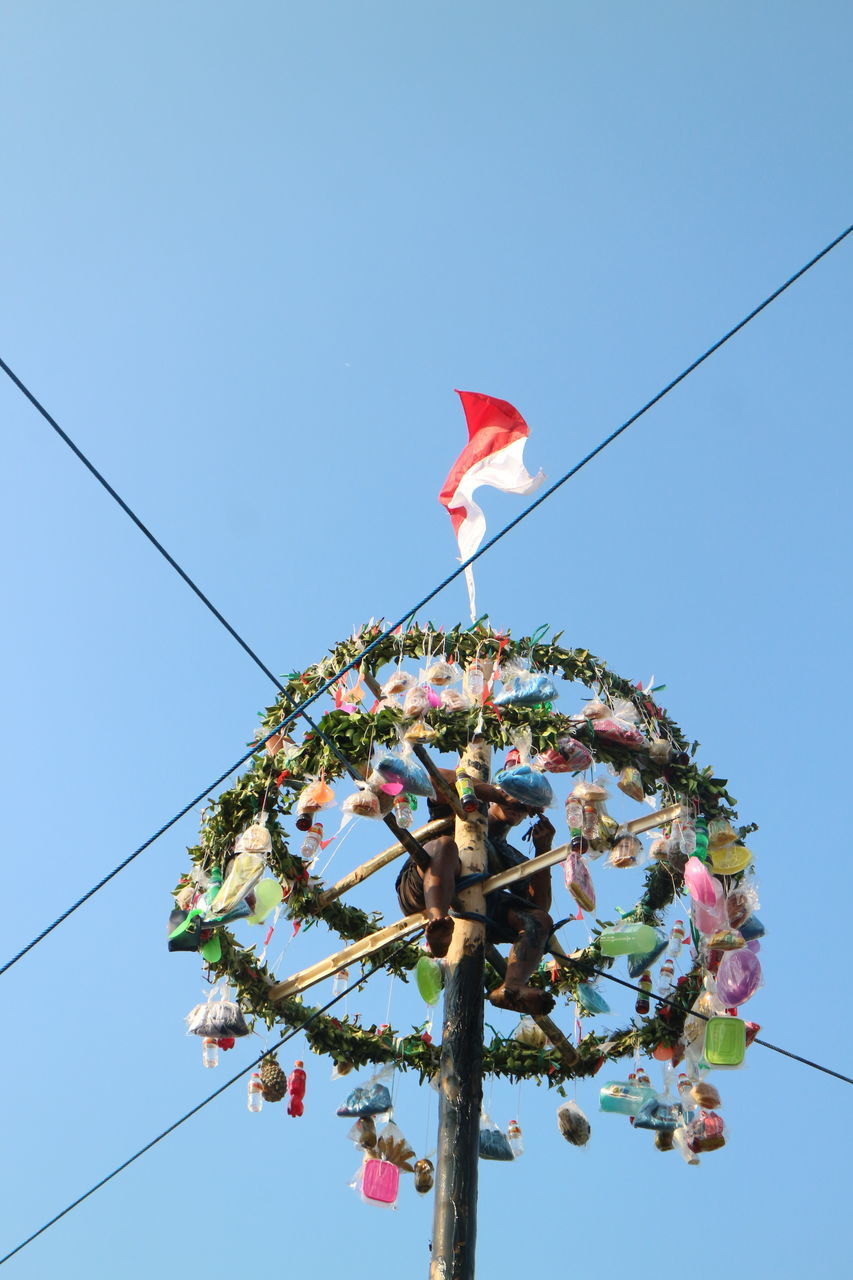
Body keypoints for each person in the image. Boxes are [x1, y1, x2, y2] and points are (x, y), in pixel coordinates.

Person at [394, 772, 556, 1016]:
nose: (518, 808)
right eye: (516, 798)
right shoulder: (466, 804)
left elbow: (539, 905)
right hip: (424, 884)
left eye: (526, 807)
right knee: (447, 845)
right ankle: (437, 924)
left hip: (480, 907)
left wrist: (543, 850)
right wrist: (493, 793)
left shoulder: (510, 856)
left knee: (539, 920)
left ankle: (512, 988)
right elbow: (433, 778)